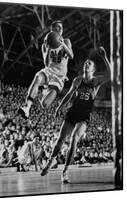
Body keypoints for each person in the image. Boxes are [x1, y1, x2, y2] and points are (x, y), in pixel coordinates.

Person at [41, 46, 111, 183]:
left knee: (74, 139)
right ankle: (50, 161)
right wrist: (59, 107)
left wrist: (104, 57)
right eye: (85, 63)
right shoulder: (77, 80)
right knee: (60, 140)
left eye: (89, 64)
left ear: (93, 69)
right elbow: (68, 95)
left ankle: (65, 171)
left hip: (84, 116)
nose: (86, 64)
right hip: (72, 112)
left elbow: (110, 75)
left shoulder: (95, 81)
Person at [18, 20, 74, 118]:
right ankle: (27, 108)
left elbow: (71, 56)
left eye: (61, 27)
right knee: (37, 77)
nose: (60, 29)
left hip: (59, 76)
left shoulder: (66, 41)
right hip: (49, 70)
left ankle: (45, 91)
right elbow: (46, 63)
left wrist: (63, 45)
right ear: (52, 29)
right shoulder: (45, 44)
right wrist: (48, 50)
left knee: (45, 104)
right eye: (57, 27)